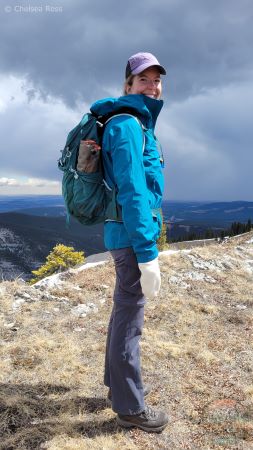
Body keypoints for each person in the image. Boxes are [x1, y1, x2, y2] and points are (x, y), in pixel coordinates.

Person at [90, 52, 169, 433]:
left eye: (157, 80)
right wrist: (147, 252)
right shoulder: (126, 125)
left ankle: (116, 387)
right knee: (129, 320)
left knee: (123, 312)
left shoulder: (137, 123)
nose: (152, 86)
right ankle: (130, 408)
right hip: (130, 237)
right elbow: (134, 192)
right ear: (128, 85)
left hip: (125, 234)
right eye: (143, 80)